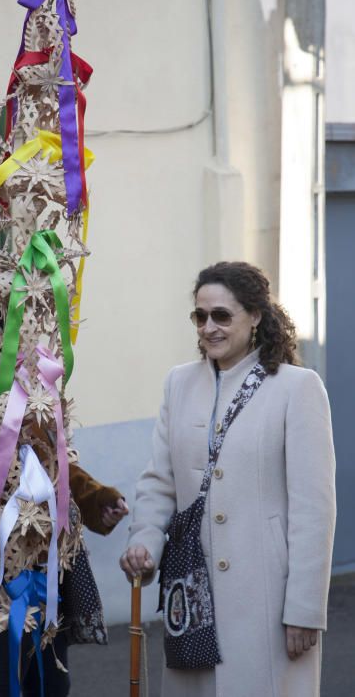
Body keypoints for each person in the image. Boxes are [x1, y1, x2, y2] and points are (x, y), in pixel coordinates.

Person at [120, 261, 336, 697]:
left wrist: (305, 609)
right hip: (192, 601)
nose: (209, 327)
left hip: (269, 603)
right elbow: (159, 482)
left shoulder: (298, 388)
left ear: (255, 316)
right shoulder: (178, 384)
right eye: (200, 316)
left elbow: (314, 511)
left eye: (222, 315)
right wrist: (142, 541)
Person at [0, 267, 128, 697]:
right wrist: (2, 451)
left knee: (52, 683)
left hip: (40, 559)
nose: (30, 316)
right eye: (15, 306)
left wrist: (95, 499)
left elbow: (53, 464)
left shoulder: (24, 377)